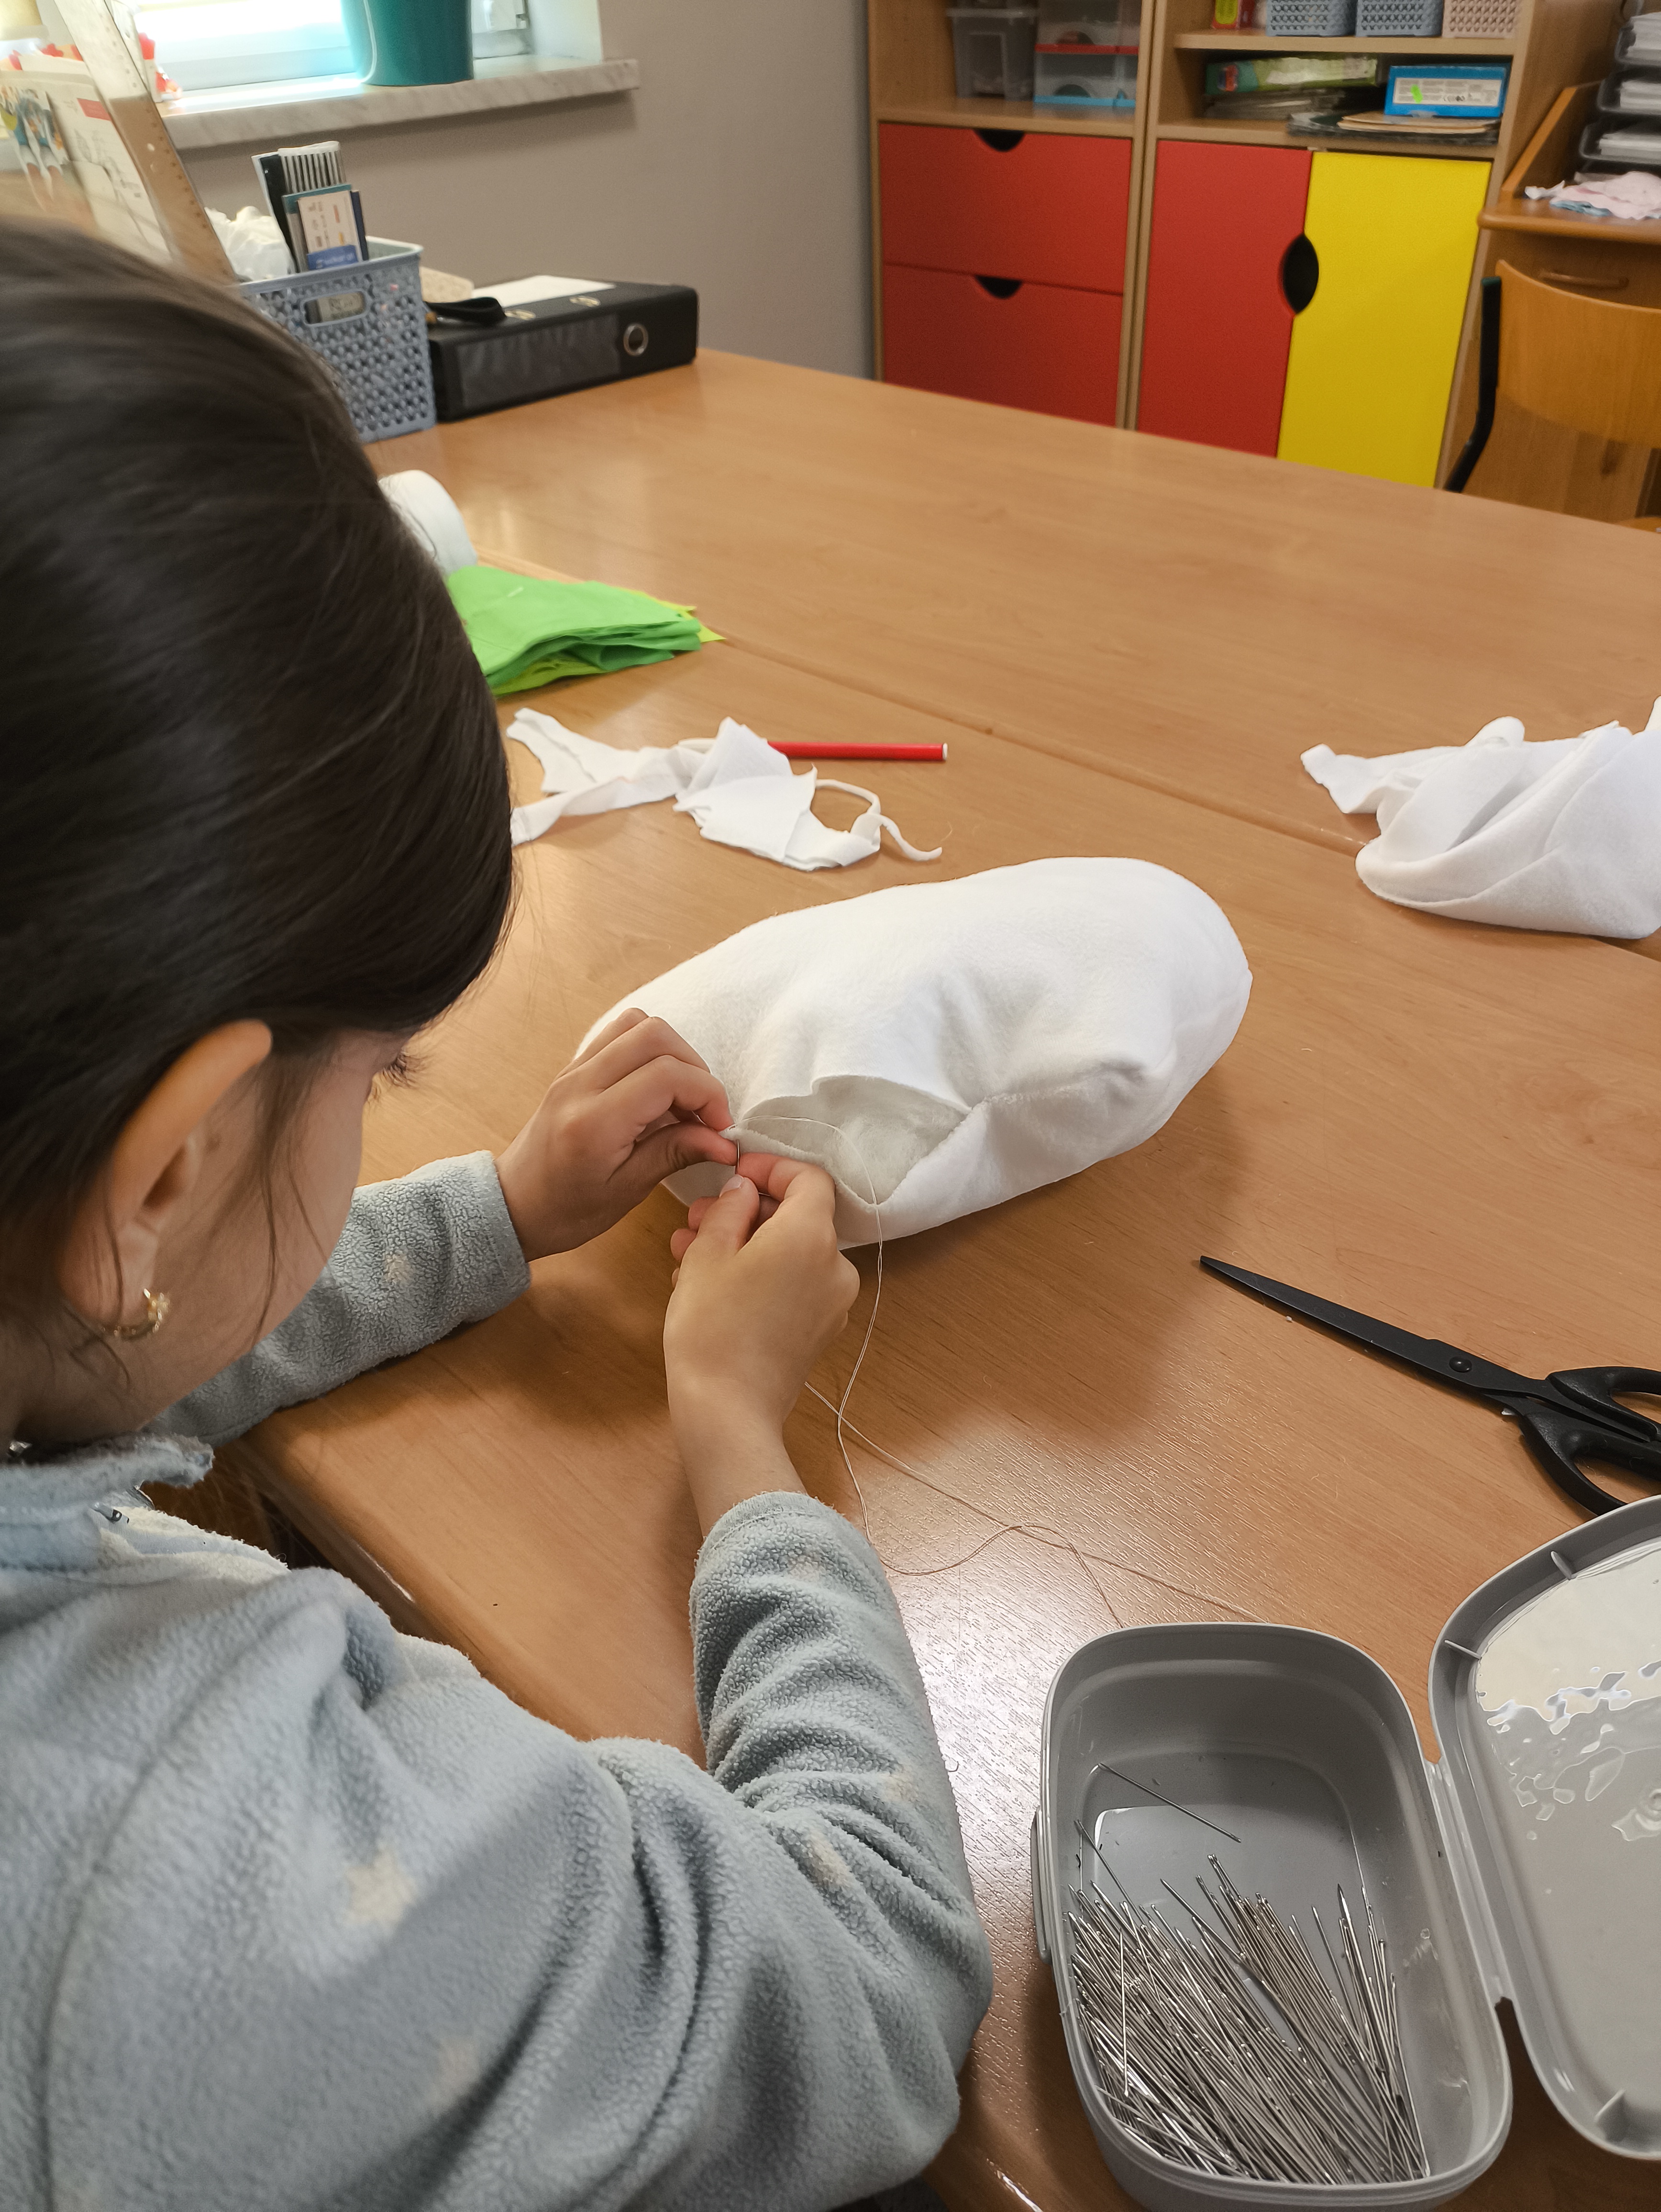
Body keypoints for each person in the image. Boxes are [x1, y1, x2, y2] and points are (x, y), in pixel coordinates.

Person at [0, 221, 992, 2212]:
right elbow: (866, 1985)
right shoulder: (223, 1861)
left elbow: (83, 1326)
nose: (378, 1109)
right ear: (167, 1172)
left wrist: (501, 1210)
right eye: (377, 1081)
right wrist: (741, 1442)